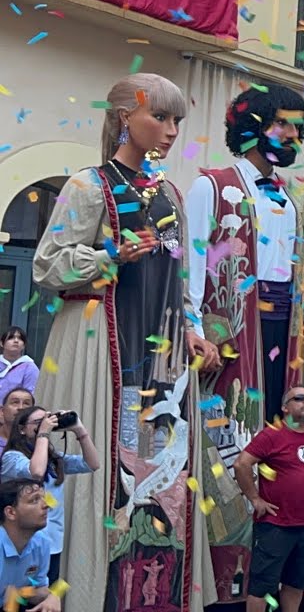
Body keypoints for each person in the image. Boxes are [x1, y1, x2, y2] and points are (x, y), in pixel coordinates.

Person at [32, 73, 217, 611]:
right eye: (159, 117)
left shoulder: (170, 195)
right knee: (107, 478)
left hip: (162, 362)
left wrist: (194, 331)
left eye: (176, 120)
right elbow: (47, 264)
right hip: (101, 349)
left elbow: (180, 280)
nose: (170, 130)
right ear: (122, 119)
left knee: (164, 483)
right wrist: (110, 255)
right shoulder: (88, 186)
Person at [186, 82, 304, 603]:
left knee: (283, 436)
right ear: (253, 127)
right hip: (231, 334)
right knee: (230, 443)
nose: (293, 135)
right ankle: (224, 579)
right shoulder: (212, 186)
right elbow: (191, 264)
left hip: (283, 332)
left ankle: (271, 573)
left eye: (298, 127)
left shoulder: (294, 200)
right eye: (283, 125)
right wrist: (194, 330)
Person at [232, 386, 304, 612]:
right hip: (275, 525)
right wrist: (255, 499)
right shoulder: (272, 434)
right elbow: (241, 464)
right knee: (262, 588)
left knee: (296, 584)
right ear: (285, 407)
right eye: (299, 398)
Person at [1, 406, 99, 582]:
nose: (43, 425)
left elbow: (92, 464)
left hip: (51, 543)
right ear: (22, 429)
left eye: (46, 420)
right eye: (37, 423)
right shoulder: (12, 457)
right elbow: (36, 472)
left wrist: (78, 429)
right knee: (15, 598)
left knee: (44, 596)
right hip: (21, 544)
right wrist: (43, 433)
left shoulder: (54, 459)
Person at [0, 479, 57, 612]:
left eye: (44, 498)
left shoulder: (42, 542)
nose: (46, 505)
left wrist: (52, 596)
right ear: (11, 512)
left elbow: (36, 589)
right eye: (34, 500)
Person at [0, 328, 38, 404]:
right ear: (1, 343)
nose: (16, 341)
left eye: (20, 339)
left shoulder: (30, 367)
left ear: (24, 346)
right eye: (11, 338)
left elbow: (30, 395)